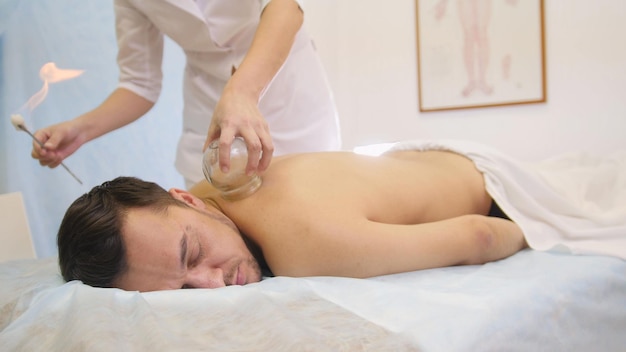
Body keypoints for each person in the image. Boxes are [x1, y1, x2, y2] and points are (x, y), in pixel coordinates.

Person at [57, 143, 528, 292]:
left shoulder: (304, 241)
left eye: (194, 253)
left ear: (189, 199)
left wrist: (535, 231)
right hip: (417, 157)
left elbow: (480, 236)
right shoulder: (195, 200)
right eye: (182, 290)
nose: (213, 284)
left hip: (492, 186)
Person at [30, 0, 341, 187]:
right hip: (207, 106)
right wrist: (80, 130)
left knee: (307, 222)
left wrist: (242, 92)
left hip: (285, 89)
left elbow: (285, 8)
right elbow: (140, 84)